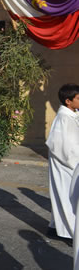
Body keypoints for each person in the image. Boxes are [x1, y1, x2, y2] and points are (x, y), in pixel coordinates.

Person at [46, 83, 79, 241]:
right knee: (67, 196)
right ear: (68, 101)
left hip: (70, 162)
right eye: (78, 98)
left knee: (64, 196)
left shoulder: (72, 114)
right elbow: (61, 146)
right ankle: (68, 232)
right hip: (66, 164)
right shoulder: (63, 118)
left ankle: (55, 227)